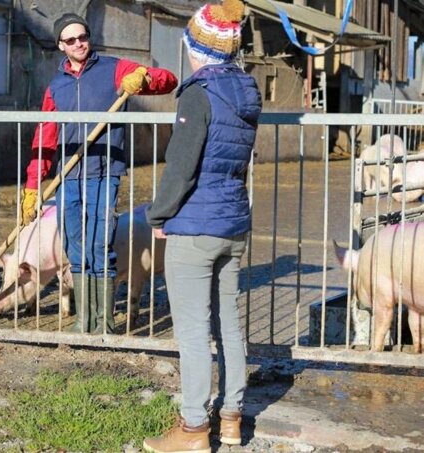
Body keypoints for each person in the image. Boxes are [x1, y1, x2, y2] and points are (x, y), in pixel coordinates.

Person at [142, 0, 261, 451]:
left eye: (189, 42)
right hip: (233, 222)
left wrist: (160, 215)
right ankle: (231, 419)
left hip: (195, 225)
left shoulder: (198, 93)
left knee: (192, 330)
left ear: (197, 46)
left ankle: (193, 428)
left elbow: (182, 166)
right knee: (228, 323)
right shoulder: (247, 91)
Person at [20, 12, 178, 334]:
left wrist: (143, 79)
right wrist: (33, 187)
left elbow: (169, 80)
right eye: (70, 40)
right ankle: (83, 321)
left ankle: (103, 323)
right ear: (60, 45)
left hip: (104, 173)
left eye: (83, 37)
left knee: (99, 245)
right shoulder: (56, 87)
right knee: (75, 246)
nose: (79, 43)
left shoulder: (115, 70)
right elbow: (44, 138)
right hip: (68, 176)